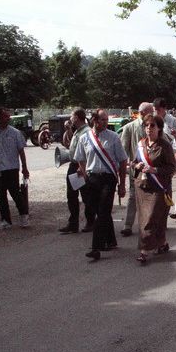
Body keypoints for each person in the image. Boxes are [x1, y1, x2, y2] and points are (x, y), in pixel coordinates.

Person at [74, 109, 128, 260]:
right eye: (102, 120)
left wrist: (122, 184)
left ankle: (96, 247)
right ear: (95, 121)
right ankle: (110, 240)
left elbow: (123, 161)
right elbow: (80, 157)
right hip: (92, 180)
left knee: (103, 211)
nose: (105, 122)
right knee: (99, 211)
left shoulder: (113, 137)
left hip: (108, 179)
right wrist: (84, 173)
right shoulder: (85, 137)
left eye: (106, 119)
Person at [132, 114, 176, 264]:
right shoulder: (141, 144)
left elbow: (171, 167)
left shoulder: (165, 146)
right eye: (147, 126)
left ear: (159, 128)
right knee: (146, 218)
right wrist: (136, 166)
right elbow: (134, 162)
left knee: (151, 219)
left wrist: (154, 170)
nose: (149, 129)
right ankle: (162, 243)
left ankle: (144, 251)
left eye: (152, 126)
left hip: (159, 187)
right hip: (142, 187)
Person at [59, 108, 95, 233]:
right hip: (74, 166)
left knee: (86, 196)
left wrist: (82, 167)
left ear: (77, 117)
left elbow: (87, 150)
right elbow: (69, 144)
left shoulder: (86, 132)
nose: (70, 118)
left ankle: (90, 222)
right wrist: (68, 130)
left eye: (71, 116)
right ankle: (73, 223)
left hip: (81, 166)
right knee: (72, 195)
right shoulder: (77, 131)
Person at [119, 102, 152, 237]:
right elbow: (123, 150)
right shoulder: (129, 128)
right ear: (143, 112)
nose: (152, 115)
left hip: (151, 170)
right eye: (150, 112)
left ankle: (150, 225)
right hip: (136, 170)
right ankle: (128, 225)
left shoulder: (153, 126)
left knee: (151, 198)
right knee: (133, 197)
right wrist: (128, 165)